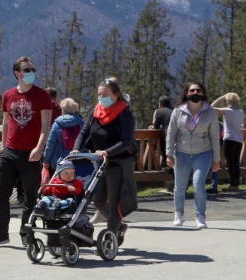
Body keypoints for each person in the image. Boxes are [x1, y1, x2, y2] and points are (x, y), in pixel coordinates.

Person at [0, 57, 54, 248]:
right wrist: (3, 146)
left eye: (33, 69)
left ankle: (27, 233)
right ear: (17, 73)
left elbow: (46, 125)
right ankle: (1, 233)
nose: (31, 72)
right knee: (0, 194)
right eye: (27, 69)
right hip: (10, 152)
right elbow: (6, 122)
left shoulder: (42, 96)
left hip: (31, 153)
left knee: (30, 197)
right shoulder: (8, 95)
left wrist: (39, 148)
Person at [74, 78, 137, 238]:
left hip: (118, 162)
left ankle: (110, 237)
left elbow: (126, 141)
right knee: (99, 201)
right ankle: (119, 226)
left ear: (116, 95)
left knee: (115, 201)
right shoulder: (96, 111)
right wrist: (75, 149)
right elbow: (84, 132)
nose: (102, 98)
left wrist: (107, 152)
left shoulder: (124, 112)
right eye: (99, 94)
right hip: (99, 162)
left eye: (105, 94)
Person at [167, 82, 222, 228]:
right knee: (179, 186)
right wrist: (169, 154)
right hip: (181, 154)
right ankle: (178, 214)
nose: (195, 92)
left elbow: (215, 137)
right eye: (192, 90)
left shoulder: (210, 112)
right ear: (186, 93)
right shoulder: (178, 111)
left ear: (203, 93)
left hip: (203, 154)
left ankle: (200, 216)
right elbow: (171, 133)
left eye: (198, 90)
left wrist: (216, 159)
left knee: (198, 185)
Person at [42, 99, 84, 183]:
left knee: (59, 183)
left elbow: (50, 144)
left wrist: (46, 160)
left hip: (59, 160)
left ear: (63, 110)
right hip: (78, 159)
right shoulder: (81, 123)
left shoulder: (57, 123)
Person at [212, 93, 246, 192]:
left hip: (229, 138)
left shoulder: (227, 111)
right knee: (236, 163)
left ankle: (232, 185)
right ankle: (236, 184)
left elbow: (210, 108)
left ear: (228, 101)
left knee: (230, 163)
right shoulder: (241, 112)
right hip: (239, 139)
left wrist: (220, 97)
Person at [151, 96, 173, 173]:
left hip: (169, 135)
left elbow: (155, 126)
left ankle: (168, 168)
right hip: (180, 136)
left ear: (160, 104)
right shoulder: (175, 110)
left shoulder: (159, 111)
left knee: (165, 151)